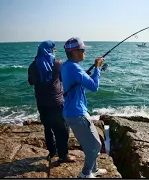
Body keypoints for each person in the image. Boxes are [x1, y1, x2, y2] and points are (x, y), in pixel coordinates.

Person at [61, 37, 107, 178]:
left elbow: (76, 81)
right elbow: (94, 87)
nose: (85, 52)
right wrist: (97, 68)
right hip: (77, 113)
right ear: (75, 52)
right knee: (95, 146)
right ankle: (85, 173)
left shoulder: (66, 65)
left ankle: (94, 169)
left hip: (72, 111)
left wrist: (84, 76)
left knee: (91, 145)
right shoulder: (74, 68)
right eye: (83, 50)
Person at [28, 40, 76, 163]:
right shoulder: (57, 64)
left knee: (47, 128)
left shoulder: (33, 66)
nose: (55, 51)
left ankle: (52, 152)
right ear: (48, 51)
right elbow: (64, 78)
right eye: (53, 49)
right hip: (56, 103)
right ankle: (63, 155)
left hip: (41, 104)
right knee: (62, 129)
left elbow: (31, 82)